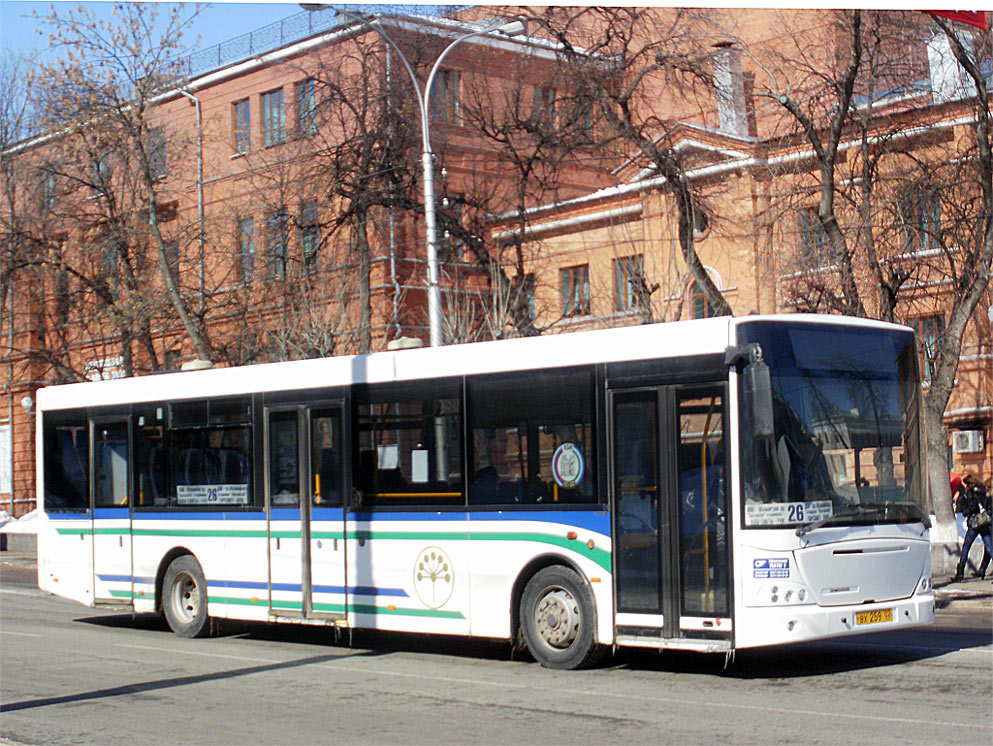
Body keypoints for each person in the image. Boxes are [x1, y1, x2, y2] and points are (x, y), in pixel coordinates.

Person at [952, 474, 992, 582]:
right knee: (989, 547)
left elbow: (971, 507)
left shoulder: (970, 493)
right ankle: (982, 570)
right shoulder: (983, 490)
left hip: (974, 523)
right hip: (984, 522)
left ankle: (959, 574)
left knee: (966, 548)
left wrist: (966, 511)